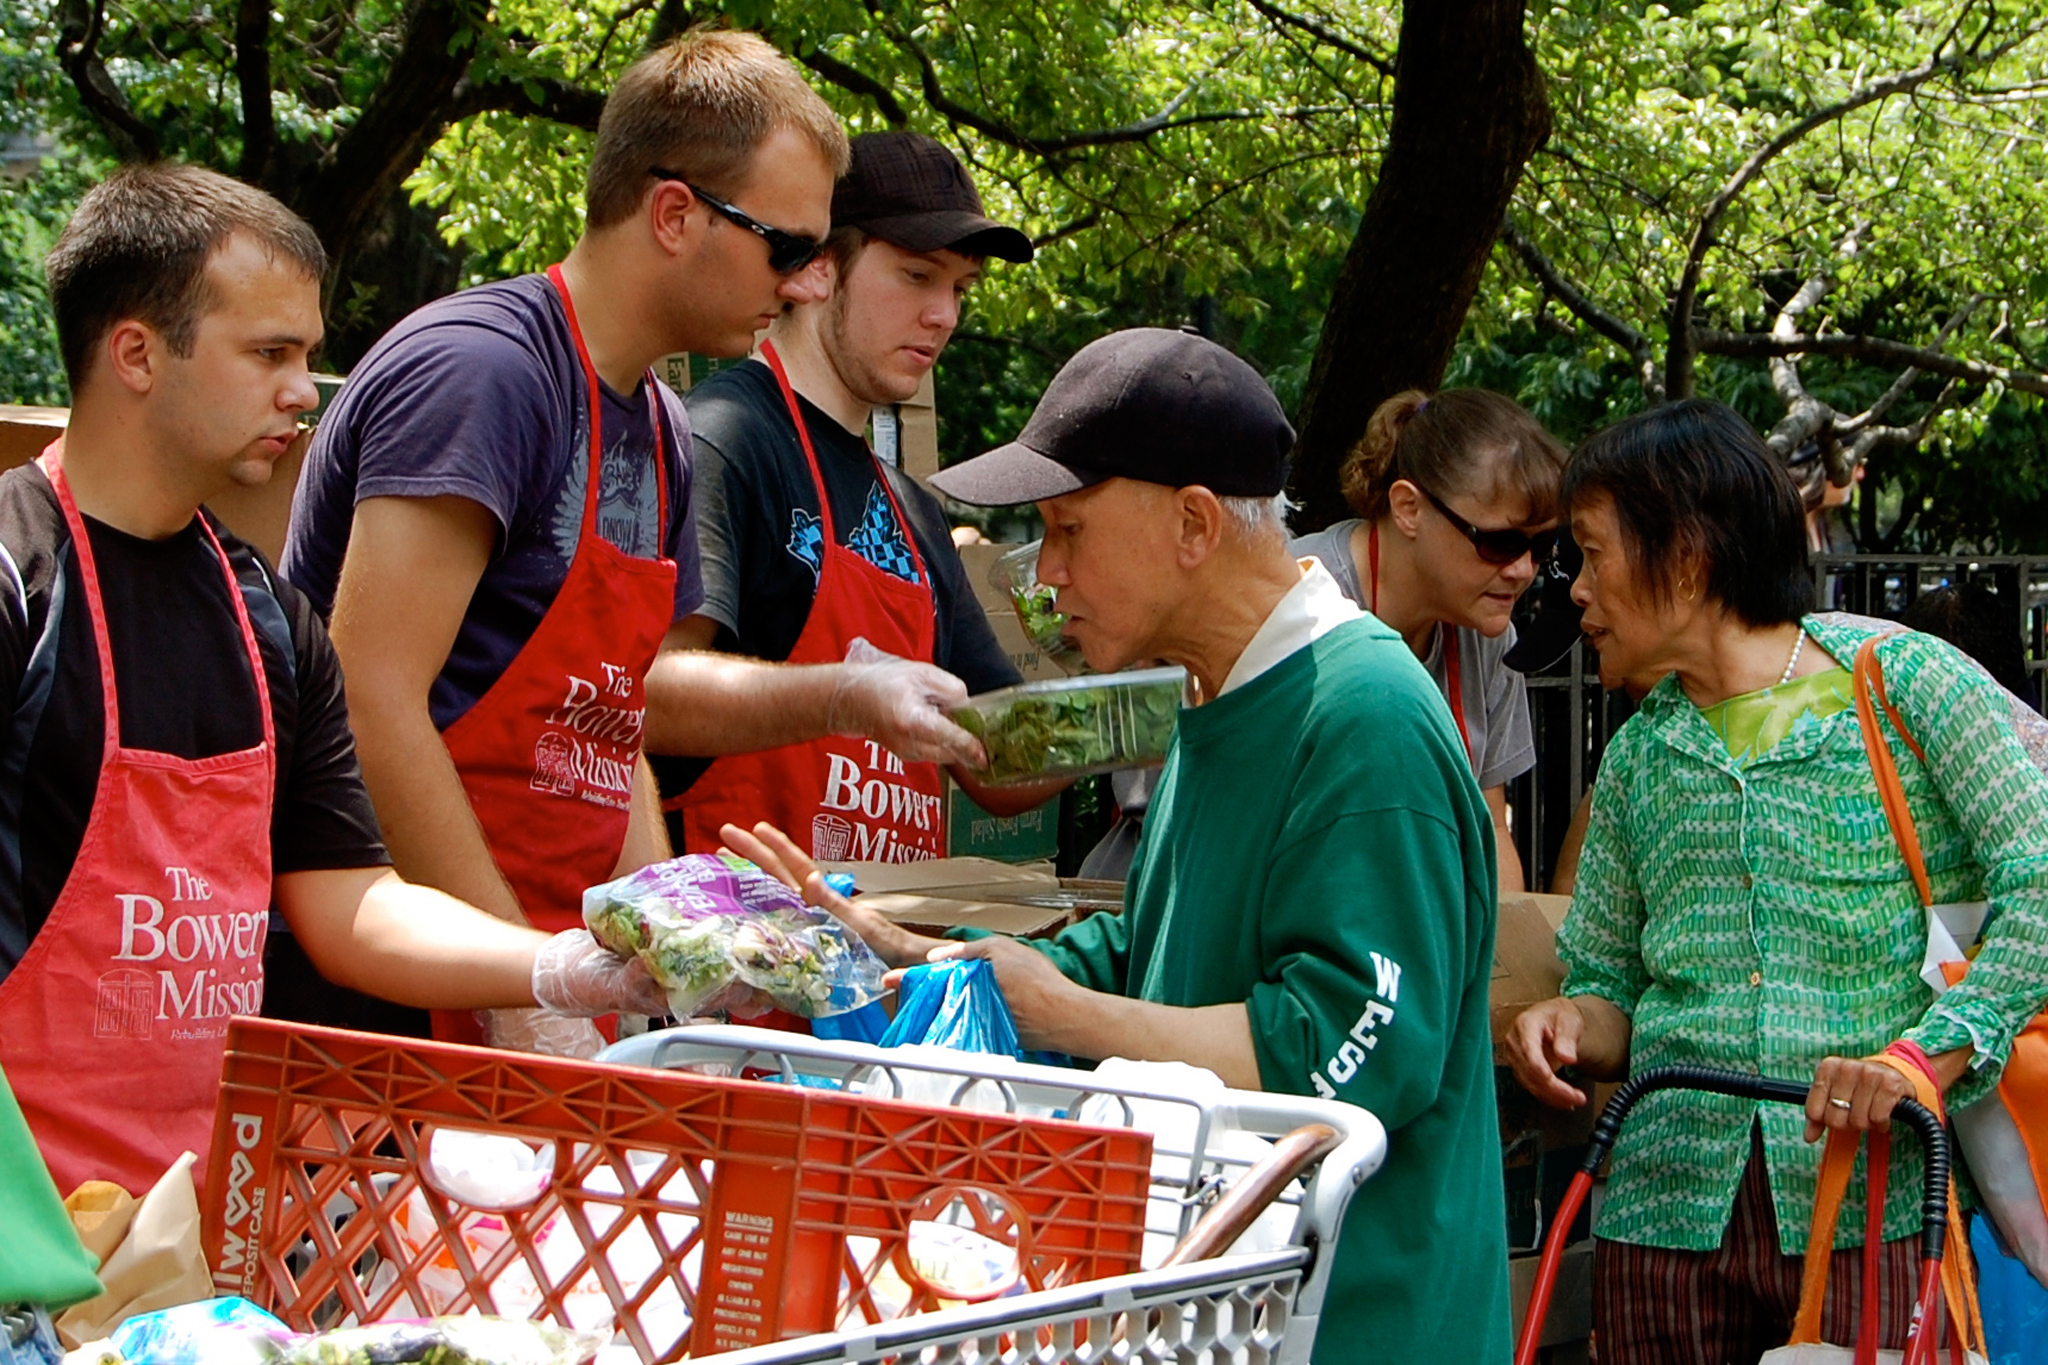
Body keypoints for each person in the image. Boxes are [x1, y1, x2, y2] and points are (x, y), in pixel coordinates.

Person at [726, 328, 1513, 1364]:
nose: (1043, 578)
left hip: (1360, 1322)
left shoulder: (1360, 716)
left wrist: (1064, 1009)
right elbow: (1156, 957)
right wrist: (915, 959)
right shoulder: (1218, 690)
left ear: (1192, 523)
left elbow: (1340, 1055)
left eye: (1066, 529)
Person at [0, 165, 665, 1196]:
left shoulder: (269, 619)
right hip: (27, 1235)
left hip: (205, 1233)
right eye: (268, 353)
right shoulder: (16, 581)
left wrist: (550, 968)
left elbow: (350, 901)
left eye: (307, 354)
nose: (303, 391)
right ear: (136, 352)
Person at [280, 32, 856, 1051]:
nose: (809, 283)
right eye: (786, 249)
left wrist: (661, 970)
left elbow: (609, 723)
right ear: (674, 214)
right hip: (391, 1011)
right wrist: (520, 992)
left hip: (542, 974)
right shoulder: (485, 375)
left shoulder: (663, 428)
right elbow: (370, 696)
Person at [1502, 399, 2048, 1364]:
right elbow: (1612, 990)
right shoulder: (1637, 757)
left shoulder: (1906, 681)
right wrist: (1571, 1022)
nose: (1575, 591)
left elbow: (2040, 880)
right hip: (1660, 1227)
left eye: (1591, 553)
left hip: (1870, 1215)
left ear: (1688, 551)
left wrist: (1929, 1054)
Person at [648, 131, 1050, 862]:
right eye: (917, 276)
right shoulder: (724, 440)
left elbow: (998, 765)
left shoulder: (915, 510)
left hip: (888, 963)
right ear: (820, 267)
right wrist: (844, 696)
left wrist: (1138, 710)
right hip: (742, 947)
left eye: (960, 289)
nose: (945, 316)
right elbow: (648, 695)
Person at [1291, 389, 1567, 892]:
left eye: (1543, 545)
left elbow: (1490, 833)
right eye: (1499, 542)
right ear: (1408, 509)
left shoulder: (1490, 638)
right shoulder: (1295, 606)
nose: (1524, 570)